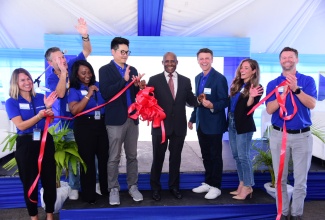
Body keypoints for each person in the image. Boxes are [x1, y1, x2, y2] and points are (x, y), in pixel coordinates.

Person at [265, 47, 317, 220]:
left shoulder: (307, 80)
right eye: (284, 57)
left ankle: (296, 215)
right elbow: (270, 109)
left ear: (297, 59)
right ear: (280, 61)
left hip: (302, 137)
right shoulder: (273, 84)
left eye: (290, 57)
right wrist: (280, 98)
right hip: (279, 136)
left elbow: (311, 104)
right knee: (280, 179)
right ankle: (283, 213)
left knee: (300, 181)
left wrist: (296, 89)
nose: (287, 59)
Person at [45, 17, 92, 200]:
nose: (63, 60)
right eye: (58, 58)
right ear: (51, 63)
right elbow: (61, 93)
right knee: (70, 157)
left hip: (79, 119)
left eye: (63, 56)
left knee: (83, 153)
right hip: (61, 124)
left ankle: (86, 183)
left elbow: (87, 51)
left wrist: (84, 35)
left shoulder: (72, 63)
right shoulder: (50, 78)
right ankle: (73, 187)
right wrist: (64, 74)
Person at [147, 52, 201, 201]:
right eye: (167, 61)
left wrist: (199, 100)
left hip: (179, 127)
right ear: (162, 62)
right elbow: (148, 101)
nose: (170, 64)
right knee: (158, 158)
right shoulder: (154, 80)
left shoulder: (185, 81)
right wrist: (141, 90)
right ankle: (155, 188)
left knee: (175, 159)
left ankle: (174, 187)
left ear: (177, 62)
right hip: (160, 127)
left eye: (172, 61)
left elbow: (190, 100)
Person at [5, 68, 58, 220]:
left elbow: (51, 120)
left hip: (45, 140)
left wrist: (48, 109)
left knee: (49, 180)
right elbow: (21, 126)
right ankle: (33, 216)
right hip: (26, 144)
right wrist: (40, 115)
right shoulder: (11, 102)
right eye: (22, 80)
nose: (27, 82)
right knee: (30, 182)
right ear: (15, 83)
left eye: (28, 78)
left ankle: (49, 214)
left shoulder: (41, 97)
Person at [99, 37, 144, 206]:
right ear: (113, 51)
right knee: (114, 157)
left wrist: (139, 86)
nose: (125, 55)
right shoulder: (105, 70)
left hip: (132, 119)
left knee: (132, 156)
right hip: (115, 120)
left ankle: (133, 186)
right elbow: (106, 93)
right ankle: (114, 189)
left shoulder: (133, 69)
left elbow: (134, 95)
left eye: (127, 52)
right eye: (122, 52)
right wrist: (124, 80)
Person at [188, 48, 229, 199]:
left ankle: (216, 186)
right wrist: (192, 118)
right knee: (205, 155)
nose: (204, 61)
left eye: (207, 58)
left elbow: (225, 101)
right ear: (198, 60)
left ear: (212, 59)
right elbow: (198, 100)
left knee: (215, 156)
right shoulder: (198, 77)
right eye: (201, 58)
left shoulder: (219, 78)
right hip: (201, 124)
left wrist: (212, 106)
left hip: (214, 124)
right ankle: (208, 182)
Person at [68, 60, 109, 204]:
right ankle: (89, 195)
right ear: (77, 75)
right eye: (83, 73)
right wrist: (88, 95)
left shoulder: (98, 85)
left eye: (89, 71)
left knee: (104, 159)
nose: (87, 75)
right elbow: (74, 110)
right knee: (88, 161)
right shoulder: (74, 90)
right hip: (84, 126)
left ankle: (105, 190)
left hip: (102, 124)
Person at [228, 59, 264, 200]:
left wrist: (251, 96)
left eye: (246, 68)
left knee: (244, 156)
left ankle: (248, 186)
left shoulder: (256, 87)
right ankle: (242, 183)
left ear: (254, 70)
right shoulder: (238, 84)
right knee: (237, 156)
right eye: (241, 67)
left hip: (244, 125)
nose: (242, 70)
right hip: (232, 122)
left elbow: (250, 107)